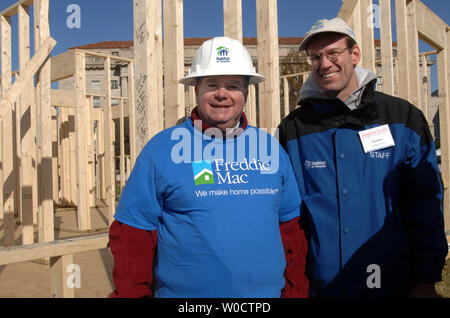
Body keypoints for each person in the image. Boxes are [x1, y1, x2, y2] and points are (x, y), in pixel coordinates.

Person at [109, 36, 309, 298]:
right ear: (196, 90)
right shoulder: (161, 151)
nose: (222, 94)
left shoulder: (271, 150)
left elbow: (292, 232)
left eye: (233, 85)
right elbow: (132, 238)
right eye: (212, 84)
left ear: (246, 92)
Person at [278, 18, 448, 297]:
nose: (324, 64)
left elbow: (425, 204)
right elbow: (290, 216)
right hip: (320, 289)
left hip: (391, 285)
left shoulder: (402, 118)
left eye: (334, 53)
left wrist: (425, 279)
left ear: (355, 54)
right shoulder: (294, 129)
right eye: (316, 57)